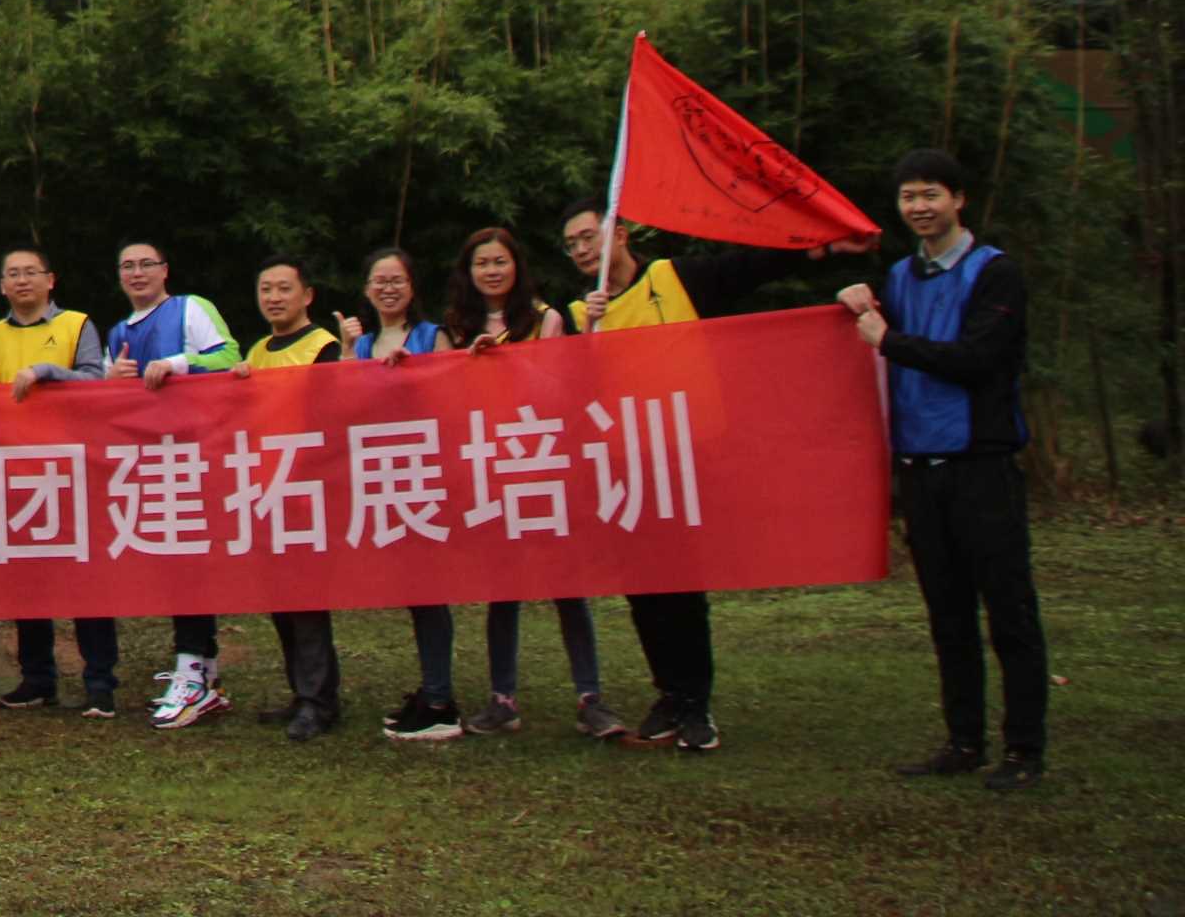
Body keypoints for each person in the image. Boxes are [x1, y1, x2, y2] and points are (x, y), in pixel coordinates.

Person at [560, 196, 852, 753]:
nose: (580, 250)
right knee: (643, 587)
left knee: (683, 584)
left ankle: (696, 701)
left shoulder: (673, 279)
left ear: (619, 233)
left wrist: (816, 247)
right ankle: (669, 694)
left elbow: (748, 269)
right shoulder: (578, 313)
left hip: (683, 458)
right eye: (571, 243)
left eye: (587, 236)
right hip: (623, 464)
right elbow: (552, 377)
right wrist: (587, 331)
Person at [840, 148, 1047, 790]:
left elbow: (978, 358)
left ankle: (1024, 749)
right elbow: (873, 335)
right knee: (947, 612)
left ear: (959, 199)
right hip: (920, 467)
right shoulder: (901, 276)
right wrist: (856, 302)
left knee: (1008, 610)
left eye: (931, 194)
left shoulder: (995, 274)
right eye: (908, 197)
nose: (919, 207)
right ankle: (963, 740)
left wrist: (887, 339)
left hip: (981, 463)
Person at [444, 226, 612, 740]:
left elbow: (560, 389)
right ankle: (503, 699)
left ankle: (590, 697)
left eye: (500, 261)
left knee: (567, 585)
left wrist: (508, 363)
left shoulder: (546, 319)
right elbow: (448, 398)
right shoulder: (457, 327)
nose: (491, 271)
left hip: (542, 460)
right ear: (468, 273)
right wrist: (471, 364)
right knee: (504, 588)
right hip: (491, 466)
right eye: (481, 263)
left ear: (516, 266)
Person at [106, 239, 238, 728]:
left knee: (190, 565)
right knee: (175, 566)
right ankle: (204, 672)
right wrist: (112, 381)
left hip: (197, 455)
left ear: (165, 270)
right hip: (149, 462)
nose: (137, 272)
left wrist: (180, 364)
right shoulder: (119, 331)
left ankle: (191, 671)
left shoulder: (189, 309)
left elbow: (230, 356)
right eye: (128, 265)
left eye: (146, 264)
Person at [0, 243, 115, 716]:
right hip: (16, 473)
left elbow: (96, 381)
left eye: (30, 272)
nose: (22, 281)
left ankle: (100, 682)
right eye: (13, 274)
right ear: (2, 286)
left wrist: (46, 373)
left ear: (50, 280)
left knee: (86, 581)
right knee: (28, 581)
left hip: (74, 470)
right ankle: (37, 679)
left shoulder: (77, 325)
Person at [337, 248, 462, 745]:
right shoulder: (363, 343)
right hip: (384, 477)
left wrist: (419, 372)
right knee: (414, 591)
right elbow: (343, 404)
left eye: (397, 280)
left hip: (426, 474)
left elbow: (457, 395)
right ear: (366, 289)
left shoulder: (433, 336)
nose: (388, 288)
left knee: (429, 590)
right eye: (379, 281)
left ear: (412, 287)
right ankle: (432, 690)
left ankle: (441, 701)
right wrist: (348, 353)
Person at [233, 254, 342, 741]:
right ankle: (303, 692)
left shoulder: (323, 347)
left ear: (307, 295)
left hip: (307, 490)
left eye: (284, 288)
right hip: (267, 488)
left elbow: (332, 416)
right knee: (280, 599)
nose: (274, 298)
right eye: (266, 289)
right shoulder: (257, 351)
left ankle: (319, 700)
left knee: (307, 599)